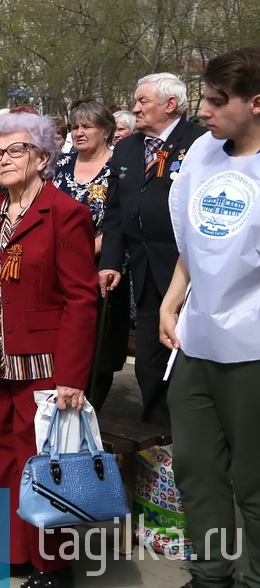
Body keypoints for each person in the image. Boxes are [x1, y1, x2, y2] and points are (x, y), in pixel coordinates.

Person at [0, 112, 98, 587]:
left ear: (41, 158)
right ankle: (8, 553)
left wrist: (72, 377)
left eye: (15, 150)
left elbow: (82, 298)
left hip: (43, 365)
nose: (3, 160)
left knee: (43, 464)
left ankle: (54, 565)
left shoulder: (65, 213)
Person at [161, 46, 260, 588]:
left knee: (253, 479)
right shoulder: (203, 152)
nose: (203, 110)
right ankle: (210, 575)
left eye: (217, 102)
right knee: (197, 468)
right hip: (197, 340)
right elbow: (193, 241)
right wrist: (172, 299)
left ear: (257, 104)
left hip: (252, 347)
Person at [99, 72, 207, 427]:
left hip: (188, 273)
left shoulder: (201, 143)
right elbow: (114, 212)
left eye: (144, 101)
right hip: (144, 274)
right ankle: (159, 439)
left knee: (190, 362)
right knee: (148, 363)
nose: (136, 108)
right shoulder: (128, 147)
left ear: (170, 104)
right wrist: (111, 261)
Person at [54, 101, 129, 409]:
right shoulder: (60, 164)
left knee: (96, 355)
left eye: (87, 126)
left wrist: (82, 250)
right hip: (57, 270)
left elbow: (121, 221)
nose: (78, 132)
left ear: (106, 131)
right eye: (75, 126)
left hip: (100, 269)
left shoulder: (120, 168)